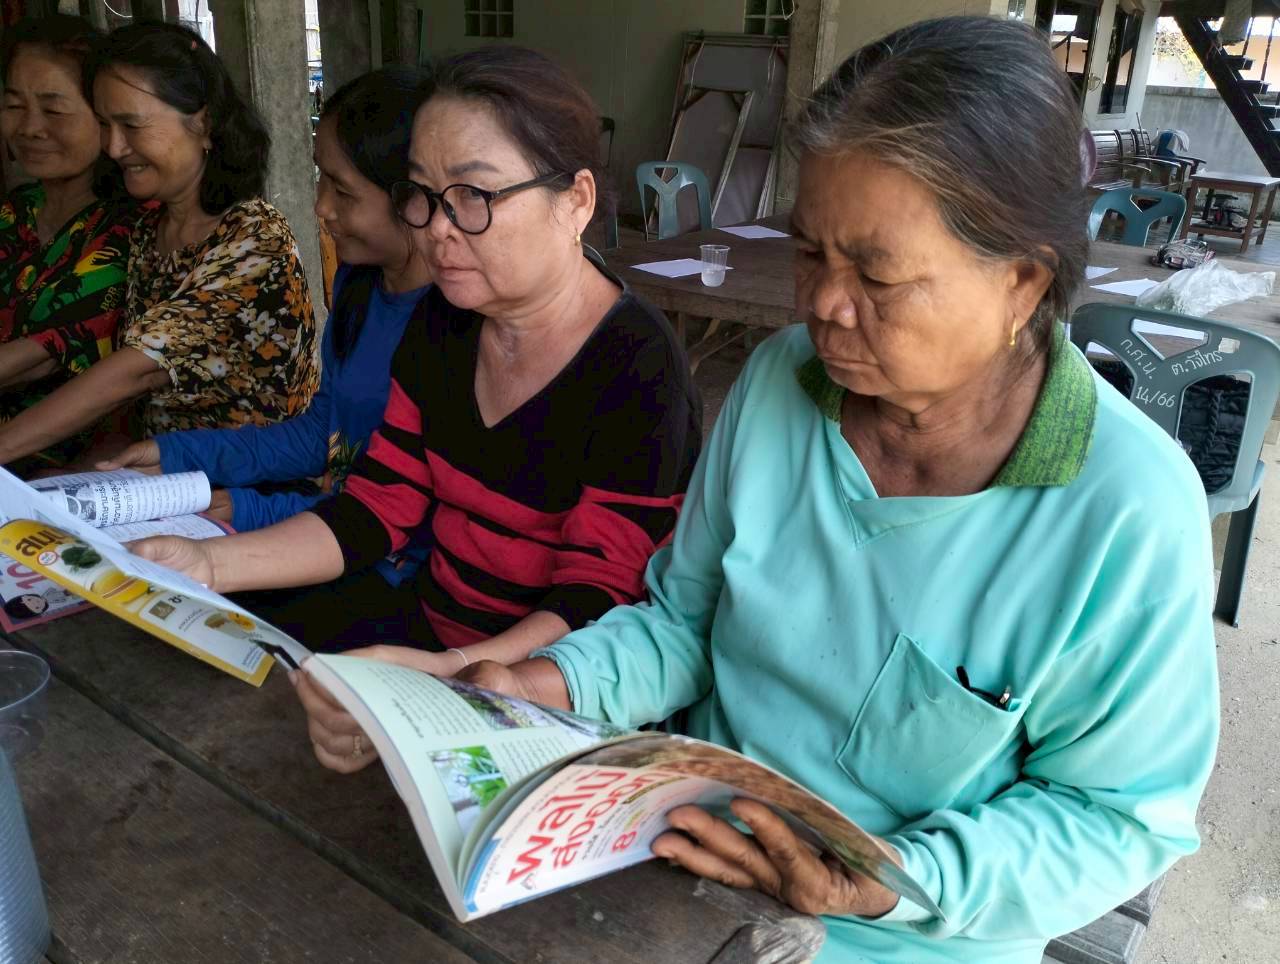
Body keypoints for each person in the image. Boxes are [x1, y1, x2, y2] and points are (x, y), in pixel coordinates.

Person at [291, 18, 1219, 962]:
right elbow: (682, 623)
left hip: (898, 937)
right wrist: (516, 684)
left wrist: (895, 879)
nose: (822, 304)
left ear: (1021, 283)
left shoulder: (1126, 510)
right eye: (810, 253)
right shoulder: (782, 383)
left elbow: (1116, 816)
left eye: (877, 275)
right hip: (677, 865)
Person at [131, 47, 701, 661]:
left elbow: (601, 592)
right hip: (431, 631)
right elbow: (378, 506)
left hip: (552, 678)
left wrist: (456, 671)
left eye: (474, 194)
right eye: (423, 193)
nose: (436, 227)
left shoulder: (637, 367)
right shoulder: (444, 321)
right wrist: (208, 563)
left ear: (575, 202)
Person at [99, 66, 436, 646]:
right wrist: (179, 456)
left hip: (399, 574)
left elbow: (397, 516)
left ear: (413, 199)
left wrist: (250, 512)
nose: (321, 207)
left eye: (343, 191)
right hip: (336, 538)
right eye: (320, 178)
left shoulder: (453, 324)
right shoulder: (360, 285)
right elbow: (324, 434)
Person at [0, 21, 319, 467]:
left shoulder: (254, 238)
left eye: (131, 125)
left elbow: (135, 373)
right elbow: (134, 411)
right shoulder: (149, 232)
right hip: (158, 479)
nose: (114, 147)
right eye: (105, 125)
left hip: (246, 486)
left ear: (204, 122)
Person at [0, 15, 142, 473]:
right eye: (13, 104)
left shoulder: (129, 227)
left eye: (54, 110)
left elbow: (40, 357)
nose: (30, 127)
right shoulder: (14, 211)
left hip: (61, 467)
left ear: (104, 118)